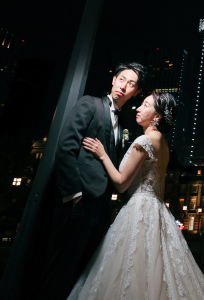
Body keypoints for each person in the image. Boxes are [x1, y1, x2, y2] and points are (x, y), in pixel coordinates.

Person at [68, 91, 204, 300]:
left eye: (145, 105)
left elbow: (121, 184)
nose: (138, 108)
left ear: (157, 116)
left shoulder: (145, 140)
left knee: (132, 267)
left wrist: (102, 155)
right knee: (159, 268)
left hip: (139, 208)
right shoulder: (163, 144)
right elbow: (162, 187)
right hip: (157, 209)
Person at [39, 62, 146, 299]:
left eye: (131, 84)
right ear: (113, 79)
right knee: (59, 267)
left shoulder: (125, 125)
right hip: (77, 202)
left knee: (83, 270)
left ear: (136, 92)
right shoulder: (90, 104)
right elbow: (66, 147)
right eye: (121, 79)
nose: (123, 86)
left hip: (100, 207)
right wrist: (73, 195)